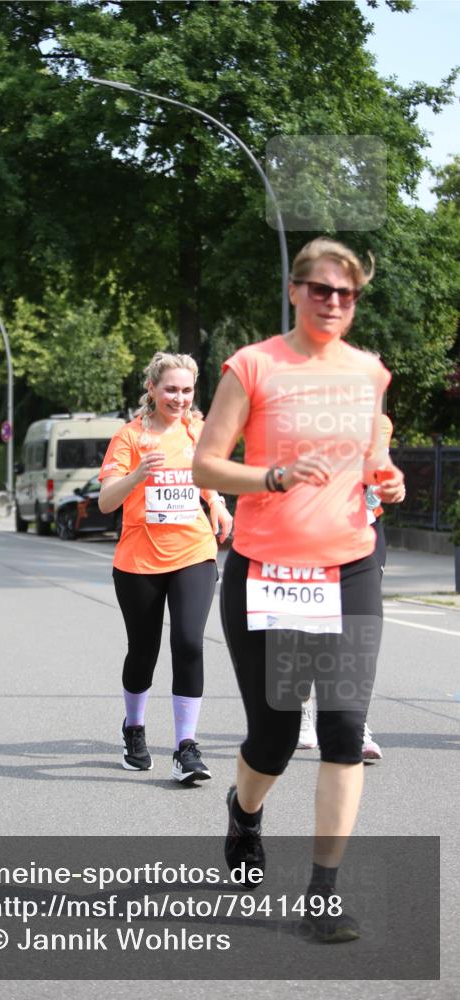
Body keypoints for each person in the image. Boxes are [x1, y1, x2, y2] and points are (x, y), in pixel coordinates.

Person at [193, 238, 405, 942]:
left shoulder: (369, 373)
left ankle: (322, 893)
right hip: (266, 571)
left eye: (345, 294)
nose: (333, 303)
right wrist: (274, 478)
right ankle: (244, 814)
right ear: (293, 289)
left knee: (343, 730)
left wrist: (388, 476)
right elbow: (206, 467)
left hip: (348, 568)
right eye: (320, 290)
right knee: (276, 736)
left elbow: (371, 455)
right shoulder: (252, 366)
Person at [98, 352, 233, 783]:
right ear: (152, 389)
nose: (179, 397)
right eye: (171, 389)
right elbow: (105, 502)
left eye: (187, 390)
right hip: (139, 560)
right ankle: (134, 729)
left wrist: (219, 505)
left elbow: (208, 475)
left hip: (194, 551)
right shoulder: (129, 437)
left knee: (190, 643)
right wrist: (137, 475)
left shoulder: (199, 429)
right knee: (144, 651)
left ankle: (185, 748)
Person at [298, 412, 397, 760]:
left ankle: (357, 725)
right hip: (316, 532)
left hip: (366, 532)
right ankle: (306, 710)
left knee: (361, 627)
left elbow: (378, 466)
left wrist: (385, 486)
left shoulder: (379, 422)